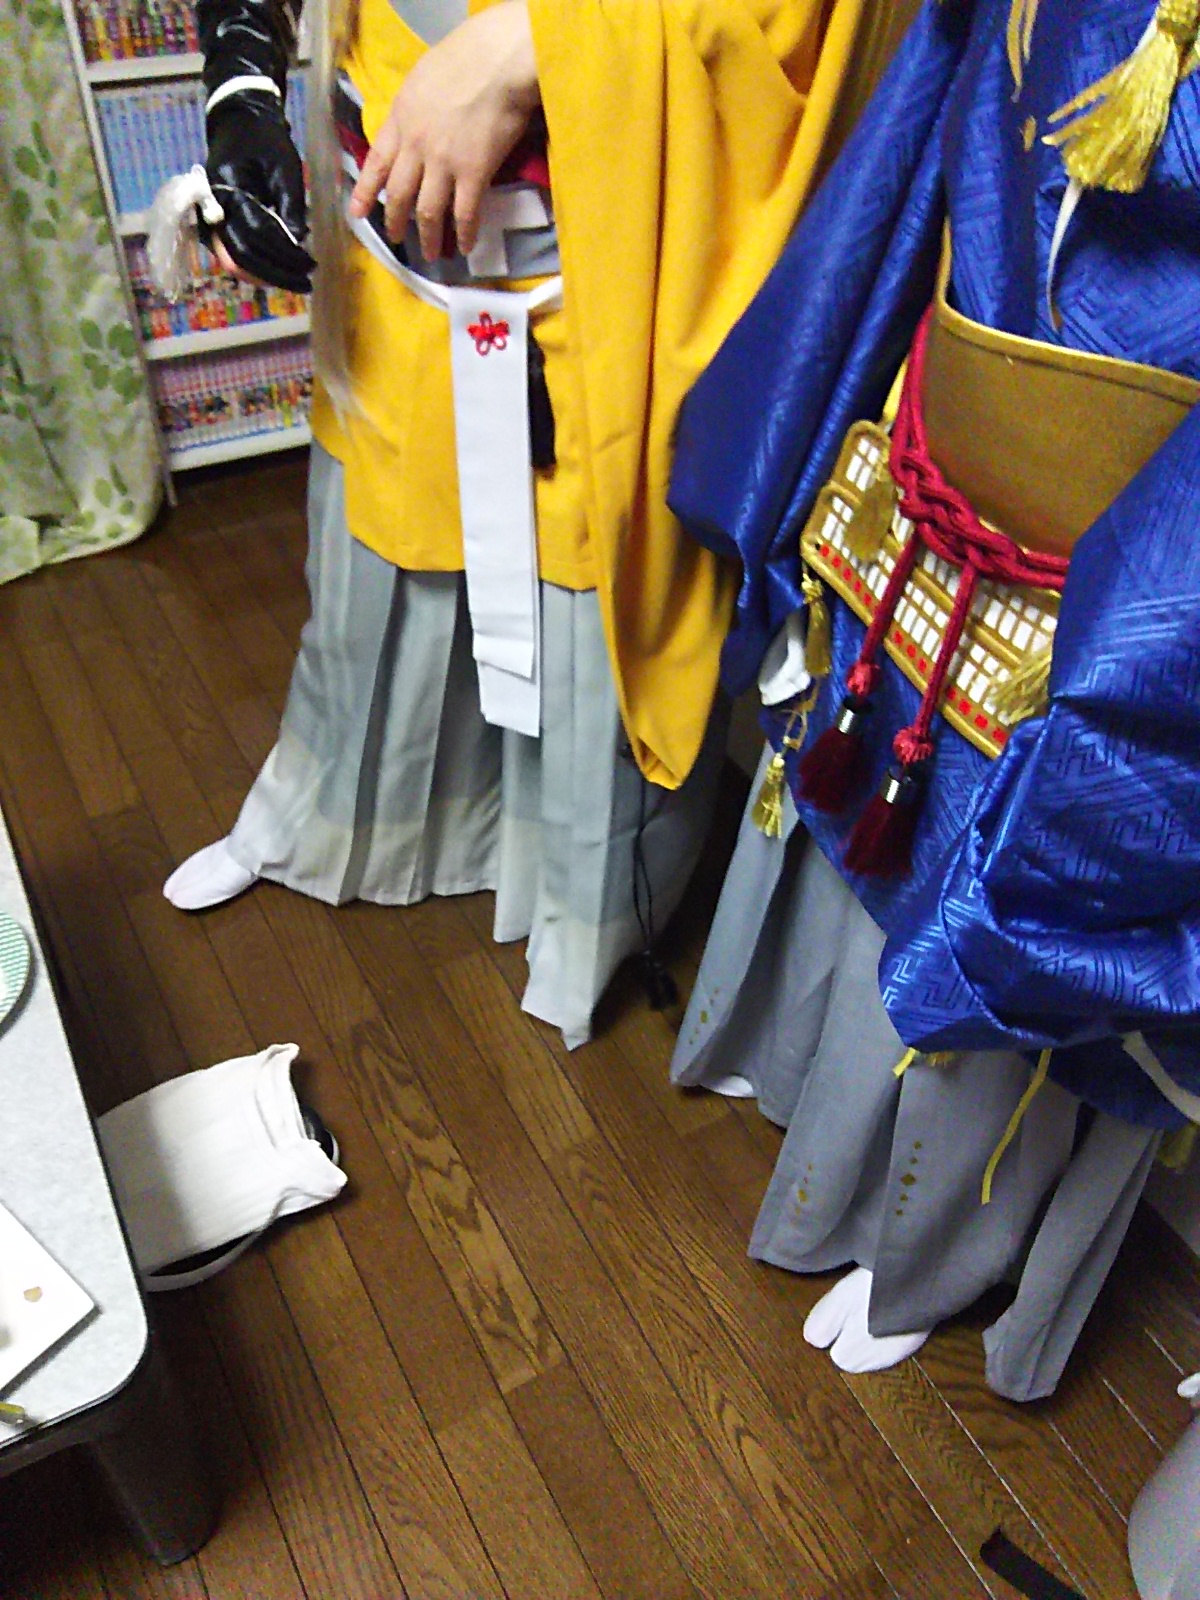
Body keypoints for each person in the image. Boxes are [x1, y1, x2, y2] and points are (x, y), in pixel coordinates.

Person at [162, 0, 916, 1047]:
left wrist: (537, 43)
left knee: (591, 579)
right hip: (392, 171)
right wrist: (243, 83)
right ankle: (344, 821)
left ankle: (577, 913)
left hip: (610, 230)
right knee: (382, 539)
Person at [669, 0, 1200, 1398]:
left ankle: (937, 1253)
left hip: (1147, 559)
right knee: (871, 801)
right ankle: (809, 1112)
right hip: (945, 424)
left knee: (1049, 861)